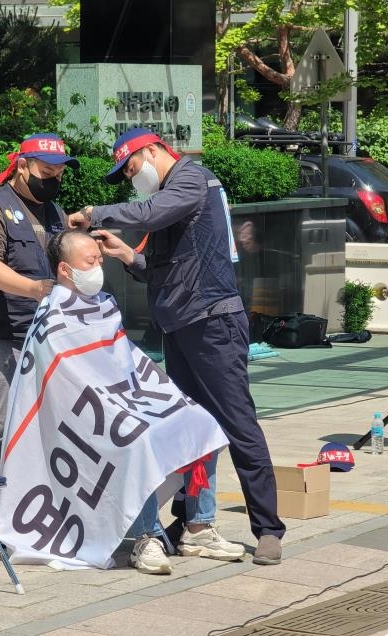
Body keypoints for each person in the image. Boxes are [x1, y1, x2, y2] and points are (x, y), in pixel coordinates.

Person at [67, 127, 286, 566]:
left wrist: (96, 214)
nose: (132, 179)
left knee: (236, 422)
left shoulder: (191, 179)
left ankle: (267, 529)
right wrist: (127, 256)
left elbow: (150, 211)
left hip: (212, 322)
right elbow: (163, 268)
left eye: (131, 168)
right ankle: (192, 521)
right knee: (190, 428)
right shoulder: (172, 196)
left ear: (152, 152)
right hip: (181, 324)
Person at [46, 229, 245, 575]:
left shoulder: (104, 303)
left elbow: (125, 360)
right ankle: (146, 536)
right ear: (65, 269)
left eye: (99, 259)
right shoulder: (51, 314)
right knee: (139, 436)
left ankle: (199, 528)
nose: (98, 266)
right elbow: (62, 382)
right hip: (84, 412)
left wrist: (147, 395)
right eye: (89, 261)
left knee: (200, 422)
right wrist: (119, 404)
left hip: (124, 396)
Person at [0, 132, 79, 547]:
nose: (53, 180)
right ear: (22, 166)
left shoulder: (54, 212)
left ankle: (36, 511)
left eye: (59, 173)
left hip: (45, 339)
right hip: (1, 339)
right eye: (46, 172)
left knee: (47, 427)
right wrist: (34, 289)